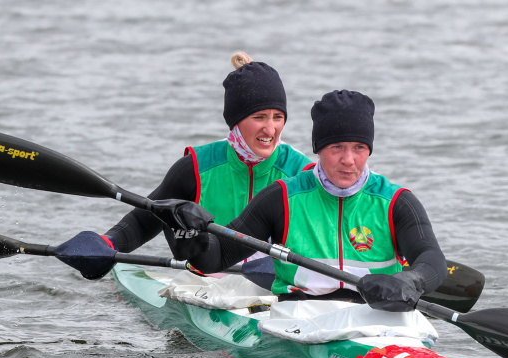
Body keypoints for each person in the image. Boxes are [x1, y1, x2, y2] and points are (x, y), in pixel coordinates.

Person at [162, 89, 447, 312]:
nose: (349, 160)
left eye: (359, 148)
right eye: (337, 147)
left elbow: (432, 260)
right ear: (319, 149)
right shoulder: (282, 198)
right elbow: (218, 256)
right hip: (301, 317)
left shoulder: (396, 201)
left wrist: (410, 280)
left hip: (377, 318)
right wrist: (189, 235)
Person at [53, 53, 313, 286]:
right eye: (259, 118)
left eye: (277, 117)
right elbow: (146, 219)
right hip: (205, 281)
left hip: (273, 283)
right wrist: (107, 243)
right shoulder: (197, 167)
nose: (270, 129)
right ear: (235, 120)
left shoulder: (303, 172)